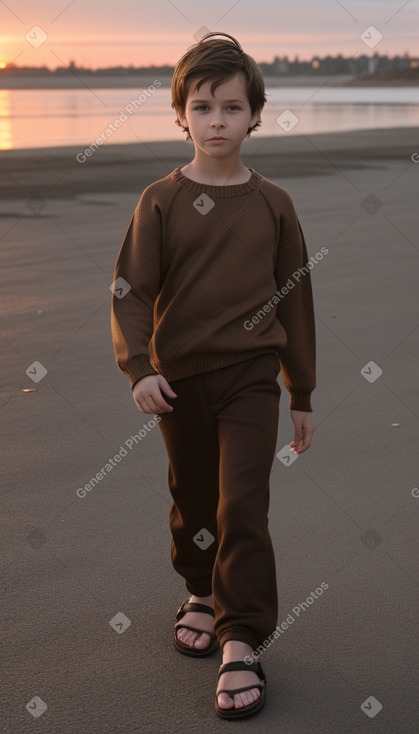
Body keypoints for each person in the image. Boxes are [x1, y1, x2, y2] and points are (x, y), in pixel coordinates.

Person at [111, 31, 316, 720]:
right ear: (181, 116)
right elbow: (131, 291)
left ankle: (240, 637)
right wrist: (138, 367)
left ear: (255, 115)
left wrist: (302, 392)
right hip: (178, 382)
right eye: (202, 107)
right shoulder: (160, 200)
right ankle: (200, 588)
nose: (217, 121)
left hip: (252, 378)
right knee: (193, 503)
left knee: (241, 505)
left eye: (232, 107)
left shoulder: (274, 203)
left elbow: (296, 299)